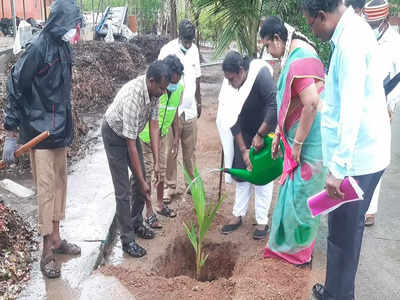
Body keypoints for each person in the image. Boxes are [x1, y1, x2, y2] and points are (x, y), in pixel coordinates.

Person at [302, 1, 391, 299]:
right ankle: (335, 291)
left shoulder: (350, 42)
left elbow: (352, 110)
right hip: (364, 154)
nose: (313, 31)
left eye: (312, 25)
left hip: (356, 163)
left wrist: (338, 170)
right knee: (344, 233)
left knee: (343, 236)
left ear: (323, 16)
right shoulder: (353, 32)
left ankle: (338, 296)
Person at [1, 0, 82, 279]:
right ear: (61, 22)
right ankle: (46, 251)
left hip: (58, 132)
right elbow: (14, 84)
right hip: (38, 134)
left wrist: (68, 127)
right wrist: (11, 134)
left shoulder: (62, 45)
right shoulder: (38, 48)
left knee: (60, 187)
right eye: (74, 25)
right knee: (46, 192)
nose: (76, 31)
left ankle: (57, 239)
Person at [260, 16, 327, 265]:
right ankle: (291, 246)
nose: (269, 51)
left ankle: (298, 252)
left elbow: (310, 102)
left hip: (310, 145)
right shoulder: (300, 49)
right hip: (305, 137)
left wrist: (296, 144)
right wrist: (279, 131)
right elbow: (294, 101)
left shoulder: (298, 60)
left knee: (303, 197)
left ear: (277, 39)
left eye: (268, 45)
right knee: (296, 193)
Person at [101, 61, 169, 258]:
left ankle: (136, 222)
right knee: (123, 190)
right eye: (161, 88)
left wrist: (156, 162)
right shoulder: (134, 97)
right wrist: (141, 182)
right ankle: (127, 240)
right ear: (151, 81)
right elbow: (130, 144)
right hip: (114, 135)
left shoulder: (155, 92)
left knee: (144, 178)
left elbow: (154, 126)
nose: (164, 92)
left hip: (131, 135)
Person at [217, 51, 276, 240]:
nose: (229, 83)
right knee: (242, 172)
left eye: (232, 78)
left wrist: (260, 136)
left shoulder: (260, 75)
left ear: (241, 72)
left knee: (262, 175)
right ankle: (238, 214)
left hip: (264, 128)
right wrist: (243, 150)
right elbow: (231, 119)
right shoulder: (229, 87)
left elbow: (273, 107)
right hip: (243, 131)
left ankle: (261, 220)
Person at [364, 0, 400, 226]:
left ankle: (370, 210)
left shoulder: (395, 43)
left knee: (377, 155)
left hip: (384, 104)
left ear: (385, 21)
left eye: (376, 22)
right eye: (370, 22)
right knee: (363, 154)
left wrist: (391, 107)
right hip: (365, 103)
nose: (373, 25)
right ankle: (359, 200)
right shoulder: (369, 37)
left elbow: (397, 80)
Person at [158, 19, 202, 202]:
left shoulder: (194, 50)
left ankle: (191, 184)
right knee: (170, 150)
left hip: (190, 109)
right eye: (185, 40)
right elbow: (159, 78)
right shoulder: (167, 50)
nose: (188, 44)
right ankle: (170, 186)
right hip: (171, 110)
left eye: (190, 41)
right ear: (179, 36)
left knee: (190, 150)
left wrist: (199, 102)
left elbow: (198, 77)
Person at [139, 55, 184, 229]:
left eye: (177, 81)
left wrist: (176, 136)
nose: (173, 86)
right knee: (148, 173)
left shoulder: (178, 89)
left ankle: (160, 205)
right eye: (171, 81)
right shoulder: (157, 91)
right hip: (145, 137)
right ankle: (148, 211)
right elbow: (153, 124)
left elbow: (174, 113)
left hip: (163, 136)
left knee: (161, 172)